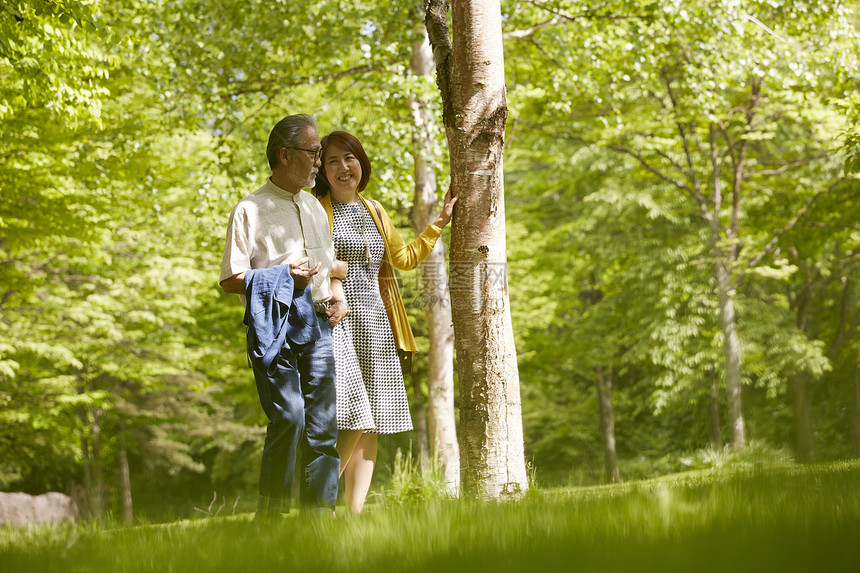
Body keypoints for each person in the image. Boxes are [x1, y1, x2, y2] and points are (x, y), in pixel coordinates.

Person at [314, 130, 457, 513]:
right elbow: (310, 260)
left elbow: (404, 258)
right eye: (333, 161)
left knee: (371, 422)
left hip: (376, 324)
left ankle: (353, 515)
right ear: (322, 171)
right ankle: (317, 504)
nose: (344, 167)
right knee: (351, 417)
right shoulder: (316, 210)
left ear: (361, 161)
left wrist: (439, 221)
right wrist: (334, 277)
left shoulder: (374, 209)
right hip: (336, 323)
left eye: (350, 158)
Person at [219, 114, 349, 517]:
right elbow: (229, 278)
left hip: (318, 320)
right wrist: (281, 277)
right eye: (313, 154)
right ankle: (272, 517)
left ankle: (319, 520)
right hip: (272, 324)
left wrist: (337, 294)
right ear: (284, 155)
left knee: (324, 426)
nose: (318, 162)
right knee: (289, 418)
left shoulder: (312, 204)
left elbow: (328, 264)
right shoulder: (249, 209)